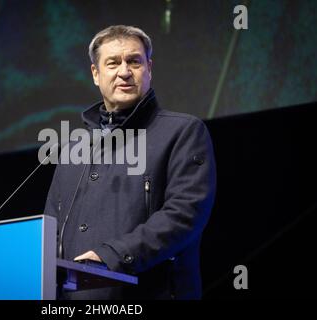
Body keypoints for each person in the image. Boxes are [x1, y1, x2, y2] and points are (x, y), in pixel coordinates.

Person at [43, 25, 216, 299]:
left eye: (134, 61)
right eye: (112, 63)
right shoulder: (74, 146)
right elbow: (50, 228)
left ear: (149, 68)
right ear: (95, 74)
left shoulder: (183, 131)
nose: (124, 72)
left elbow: (184, 215)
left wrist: (111, 255)